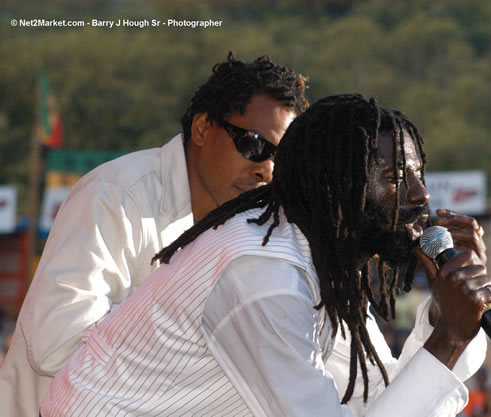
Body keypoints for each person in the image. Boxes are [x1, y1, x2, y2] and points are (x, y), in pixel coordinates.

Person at [40, 94, 491, 416]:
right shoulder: (265, 274)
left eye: (418, 174)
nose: (421, 194)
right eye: (397, 176)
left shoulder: (319, 257)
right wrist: (448, 338)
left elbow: (377, 398)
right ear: (339, 187)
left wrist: (444, 316)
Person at [0, 52, 309, 417]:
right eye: (255, 145)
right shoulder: (116, 195)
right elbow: (54, 345)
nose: (266, 171)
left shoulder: (258, 226)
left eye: (280, 158)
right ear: (202, 129)